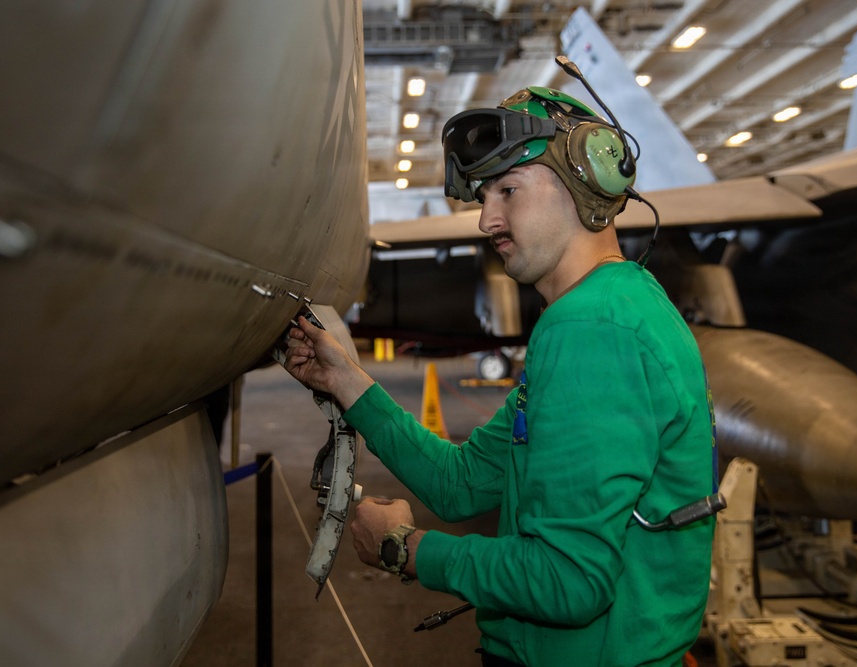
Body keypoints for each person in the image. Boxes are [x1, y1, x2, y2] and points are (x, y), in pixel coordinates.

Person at [281, 85, 715, 666]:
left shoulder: (592, 326)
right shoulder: (621, 305)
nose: (486, 218)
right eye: (485, 196)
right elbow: (461, 484)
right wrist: (345, 381)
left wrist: (404, 549)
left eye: (508, 189)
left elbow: (568, 581)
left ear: (589, 177)